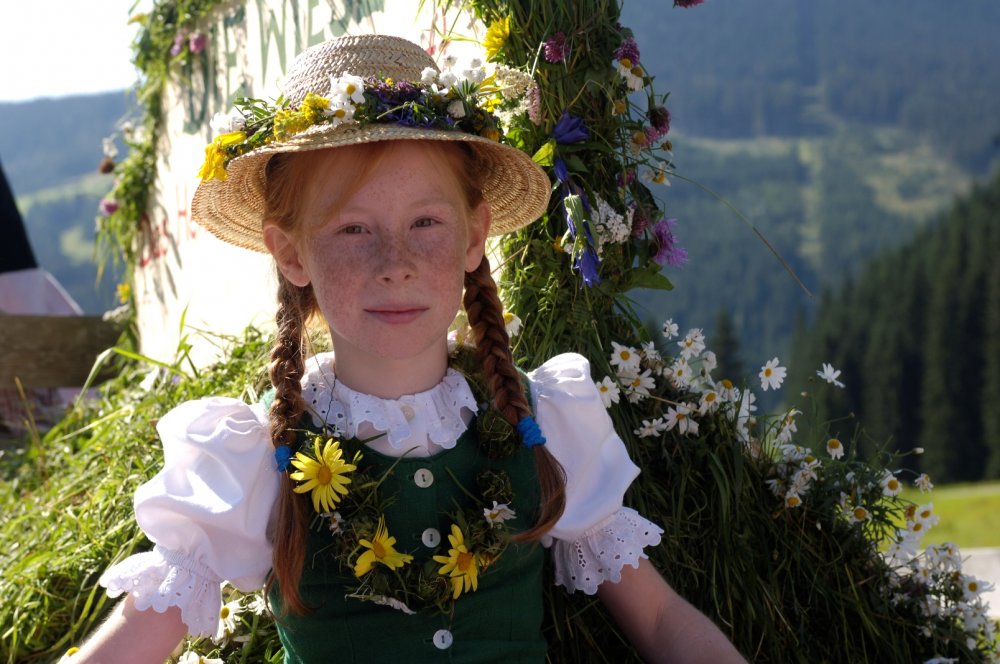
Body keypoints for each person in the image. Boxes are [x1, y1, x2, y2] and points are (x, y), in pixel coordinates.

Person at [72, 34, 745, 663]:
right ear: (291, 253)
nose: (395, 262)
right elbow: (141, 630)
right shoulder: (255, 457)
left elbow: (658, 619)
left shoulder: (545, 423)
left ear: (474, 236)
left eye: (425, 222)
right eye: (353, 229)